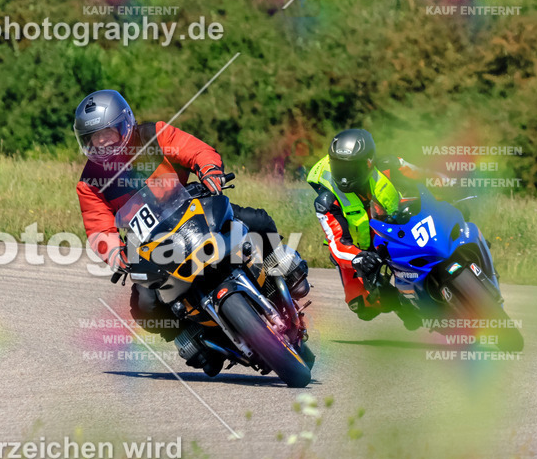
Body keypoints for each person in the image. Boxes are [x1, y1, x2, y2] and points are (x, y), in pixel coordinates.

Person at [73, 89, 291, 367]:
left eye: (107, 134)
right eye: (94, 138)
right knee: (145, 306)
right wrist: (115, 254)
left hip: (193, 208)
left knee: (257, 220)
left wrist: (209, 170)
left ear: (124, 126)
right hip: (150, 243)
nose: (102, 143)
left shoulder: (153, 134)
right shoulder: (89, 182)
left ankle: (282, 270)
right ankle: (196, 339)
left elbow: (194, 150)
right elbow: (99, 227)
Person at [307, 128, 441, 326]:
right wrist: (358, 257)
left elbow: (427, 175)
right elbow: (336, 245)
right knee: (361, 306)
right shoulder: (325, 200)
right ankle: (399, 303)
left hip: (395, 228)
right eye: (339, 167)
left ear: (369, 162)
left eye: (351, 168)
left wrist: (449, 190)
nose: (344, 176)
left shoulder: (389, 165)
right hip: (359, 250)